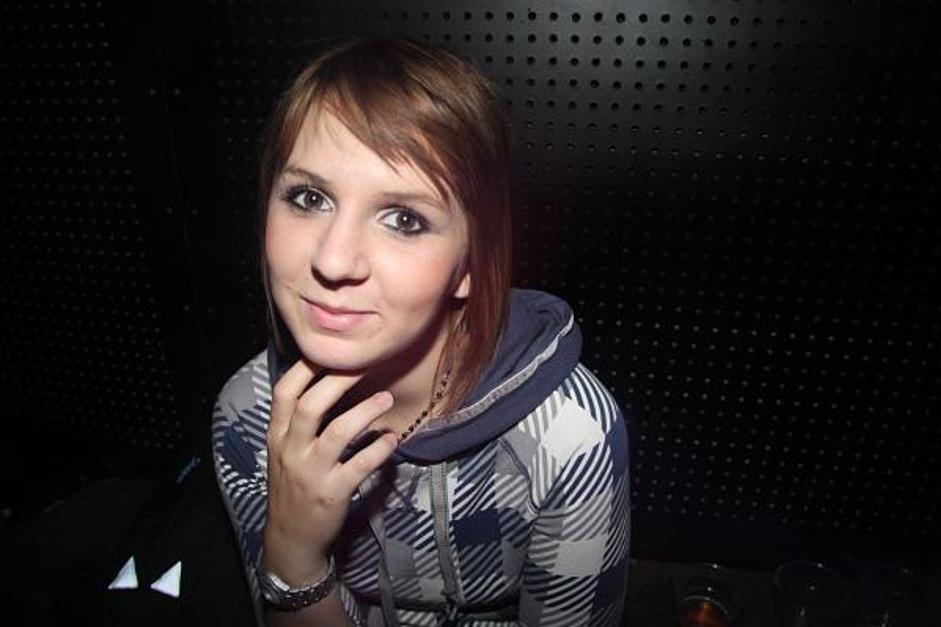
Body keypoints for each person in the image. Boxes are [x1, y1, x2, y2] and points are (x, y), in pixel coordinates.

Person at [212, 37, 629, 626]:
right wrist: (295, 558)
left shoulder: (568, 438)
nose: (334, 259)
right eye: (309, 197)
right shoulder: (248, 416)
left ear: (471, 265)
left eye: (404, 219)